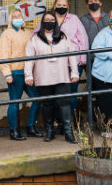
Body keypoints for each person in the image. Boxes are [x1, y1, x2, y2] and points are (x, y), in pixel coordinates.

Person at [25, 13, 80, 143]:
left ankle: (68, 132)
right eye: (46, 20)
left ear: (55, 22)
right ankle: (49, 131)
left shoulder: (63, 37)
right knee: (47, 105)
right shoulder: (34, 39)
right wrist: (28, 75)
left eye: (52, 20)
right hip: (43, 77)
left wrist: (75, 72)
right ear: (42, 22)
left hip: (62, 76)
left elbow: (72, 55)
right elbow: (29, 59)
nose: (49, 22)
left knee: (65, 103)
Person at [36, 0, 89, 122]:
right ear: (54, 5)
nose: (62, 7)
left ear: (68, 7)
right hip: (52, 63)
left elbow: (83, 38)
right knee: (55, 94)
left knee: (71, 94)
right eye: (59, 4)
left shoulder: (74, 19)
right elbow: (35, 36)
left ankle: (70, 122)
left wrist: (83, 58)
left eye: (64, 5)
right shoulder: (47, 18)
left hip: (73, 62)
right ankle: (57, 123)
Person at [0, 9, 40, 139]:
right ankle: (14, 131)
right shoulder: (7, 34)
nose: (17, 18)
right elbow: (3, 54)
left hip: (28, 72)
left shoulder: (28, 33)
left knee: (37, 99)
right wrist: (7, 73)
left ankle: (31, 127)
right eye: (14, 16)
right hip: (15, 73)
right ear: (11, 19)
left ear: (23, 18)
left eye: (19, 16)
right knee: (14, 102)